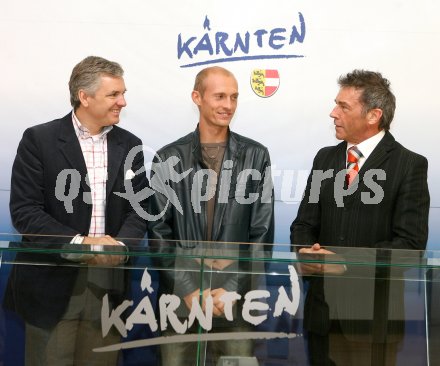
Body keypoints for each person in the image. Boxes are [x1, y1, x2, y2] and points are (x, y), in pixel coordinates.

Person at [4, 56, 148, 365]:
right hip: (51, 288)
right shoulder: (38, 140)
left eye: (123, 93)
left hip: (108, 288)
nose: (123, 102)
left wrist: (119, 248)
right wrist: (82, 244)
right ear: (84, 96)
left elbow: (140, 210)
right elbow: (25, 212)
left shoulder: (131, 145)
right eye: (114, 94)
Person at [290, 70, 430, 366]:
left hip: (372, 322)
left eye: (343, 106)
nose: (333, 113)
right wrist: (304, 253)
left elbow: (410, 247)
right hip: (321, 318)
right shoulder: (324, 159)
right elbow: (303, 224)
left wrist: (343, 263)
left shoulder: (409, 165)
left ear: (373, 115)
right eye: (335, 104)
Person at [147, 66, 274, 365]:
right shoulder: (168, 157)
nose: (228, 105)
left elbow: (262, 233)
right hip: (180, 303)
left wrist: (230, 290)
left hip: (235, 304)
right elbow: (158, 231)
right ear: (197, 97)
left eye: (233, 97)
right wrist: (189, 290)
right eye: (219, 96)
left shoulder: (256, 155)